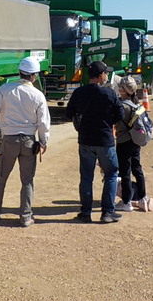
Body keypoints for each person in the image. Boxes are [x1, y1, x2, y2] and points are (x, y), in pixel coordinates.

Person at [0, 57, 51, 227]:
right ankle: (25, 216)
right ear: (34, 75)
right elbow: (43, 122)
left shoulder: (6, 89)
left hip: (9, 139)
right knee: (27, 180)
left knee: (0, 177)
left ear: (19, 72)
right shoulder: (38, 95)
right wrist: (43, 142)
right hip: (29, 141)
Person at [65, 60, 124, 224]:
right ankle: (107, 212)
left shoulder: (79, 93)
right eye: (105, 73)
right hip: (105, 140)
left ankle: (85, 212)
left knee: (86, 177)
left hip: (85, 140)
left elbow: (68, 113)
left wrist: (80, 119)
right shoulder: (109, 93)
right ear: (100, 76)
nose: (106, 76)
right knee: (111, 174)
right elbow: (120, 115)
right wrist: (108, 121)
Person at [113, 75, 153, 213]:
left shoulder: (123, 107)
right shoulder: (137, 105)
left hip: (124, 141)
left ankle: (126, 202)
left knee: (125, 171)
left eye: (120, 87)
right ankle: (142, 198)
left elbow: (115, 122)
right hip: (135, 141)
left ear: (124, 90)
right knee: (137, 168)